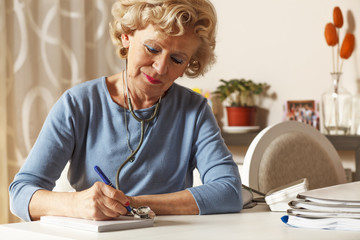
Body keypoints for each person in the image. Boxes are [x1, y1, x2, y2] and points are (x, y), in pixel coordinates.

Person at [9, 0, 243, 222]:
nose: (161, 67)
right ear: (126, 37)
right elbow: (20, 194)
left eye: (177, 59)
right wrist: (77, 204)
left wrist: (134, 203)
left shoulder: (195, 110)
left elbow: (229, 191)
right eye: (152, 48)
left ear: (188, 65)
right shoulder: (77, 104)